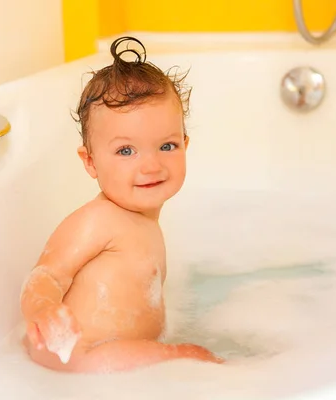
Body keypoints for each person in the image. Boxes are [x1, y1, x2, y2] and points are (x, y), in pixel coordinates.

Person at [19, 36, 223, 373]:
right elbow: (46, 276)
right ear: (90, 162)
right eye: (126, 151)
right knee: (195, 357)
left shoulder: (144, 223)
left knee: (190, 359)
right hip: (84, 356)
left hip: (116, 360)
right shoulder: (99, 219)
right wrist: (44, 311)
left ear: (185, 144)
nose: (151, 165)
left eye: (167, 146)